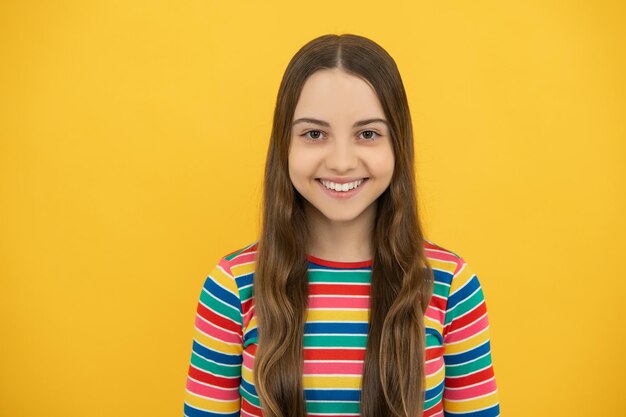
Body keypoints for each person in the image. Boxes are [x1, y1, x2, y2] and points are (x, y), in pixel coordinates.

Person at [183, 34, 500, 417]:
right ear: (285, 145)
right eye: (314, 134)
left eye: (367, 134)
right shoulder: (232, 286)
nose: (341, 162)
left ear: (397, 144)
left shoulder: (452, 284)